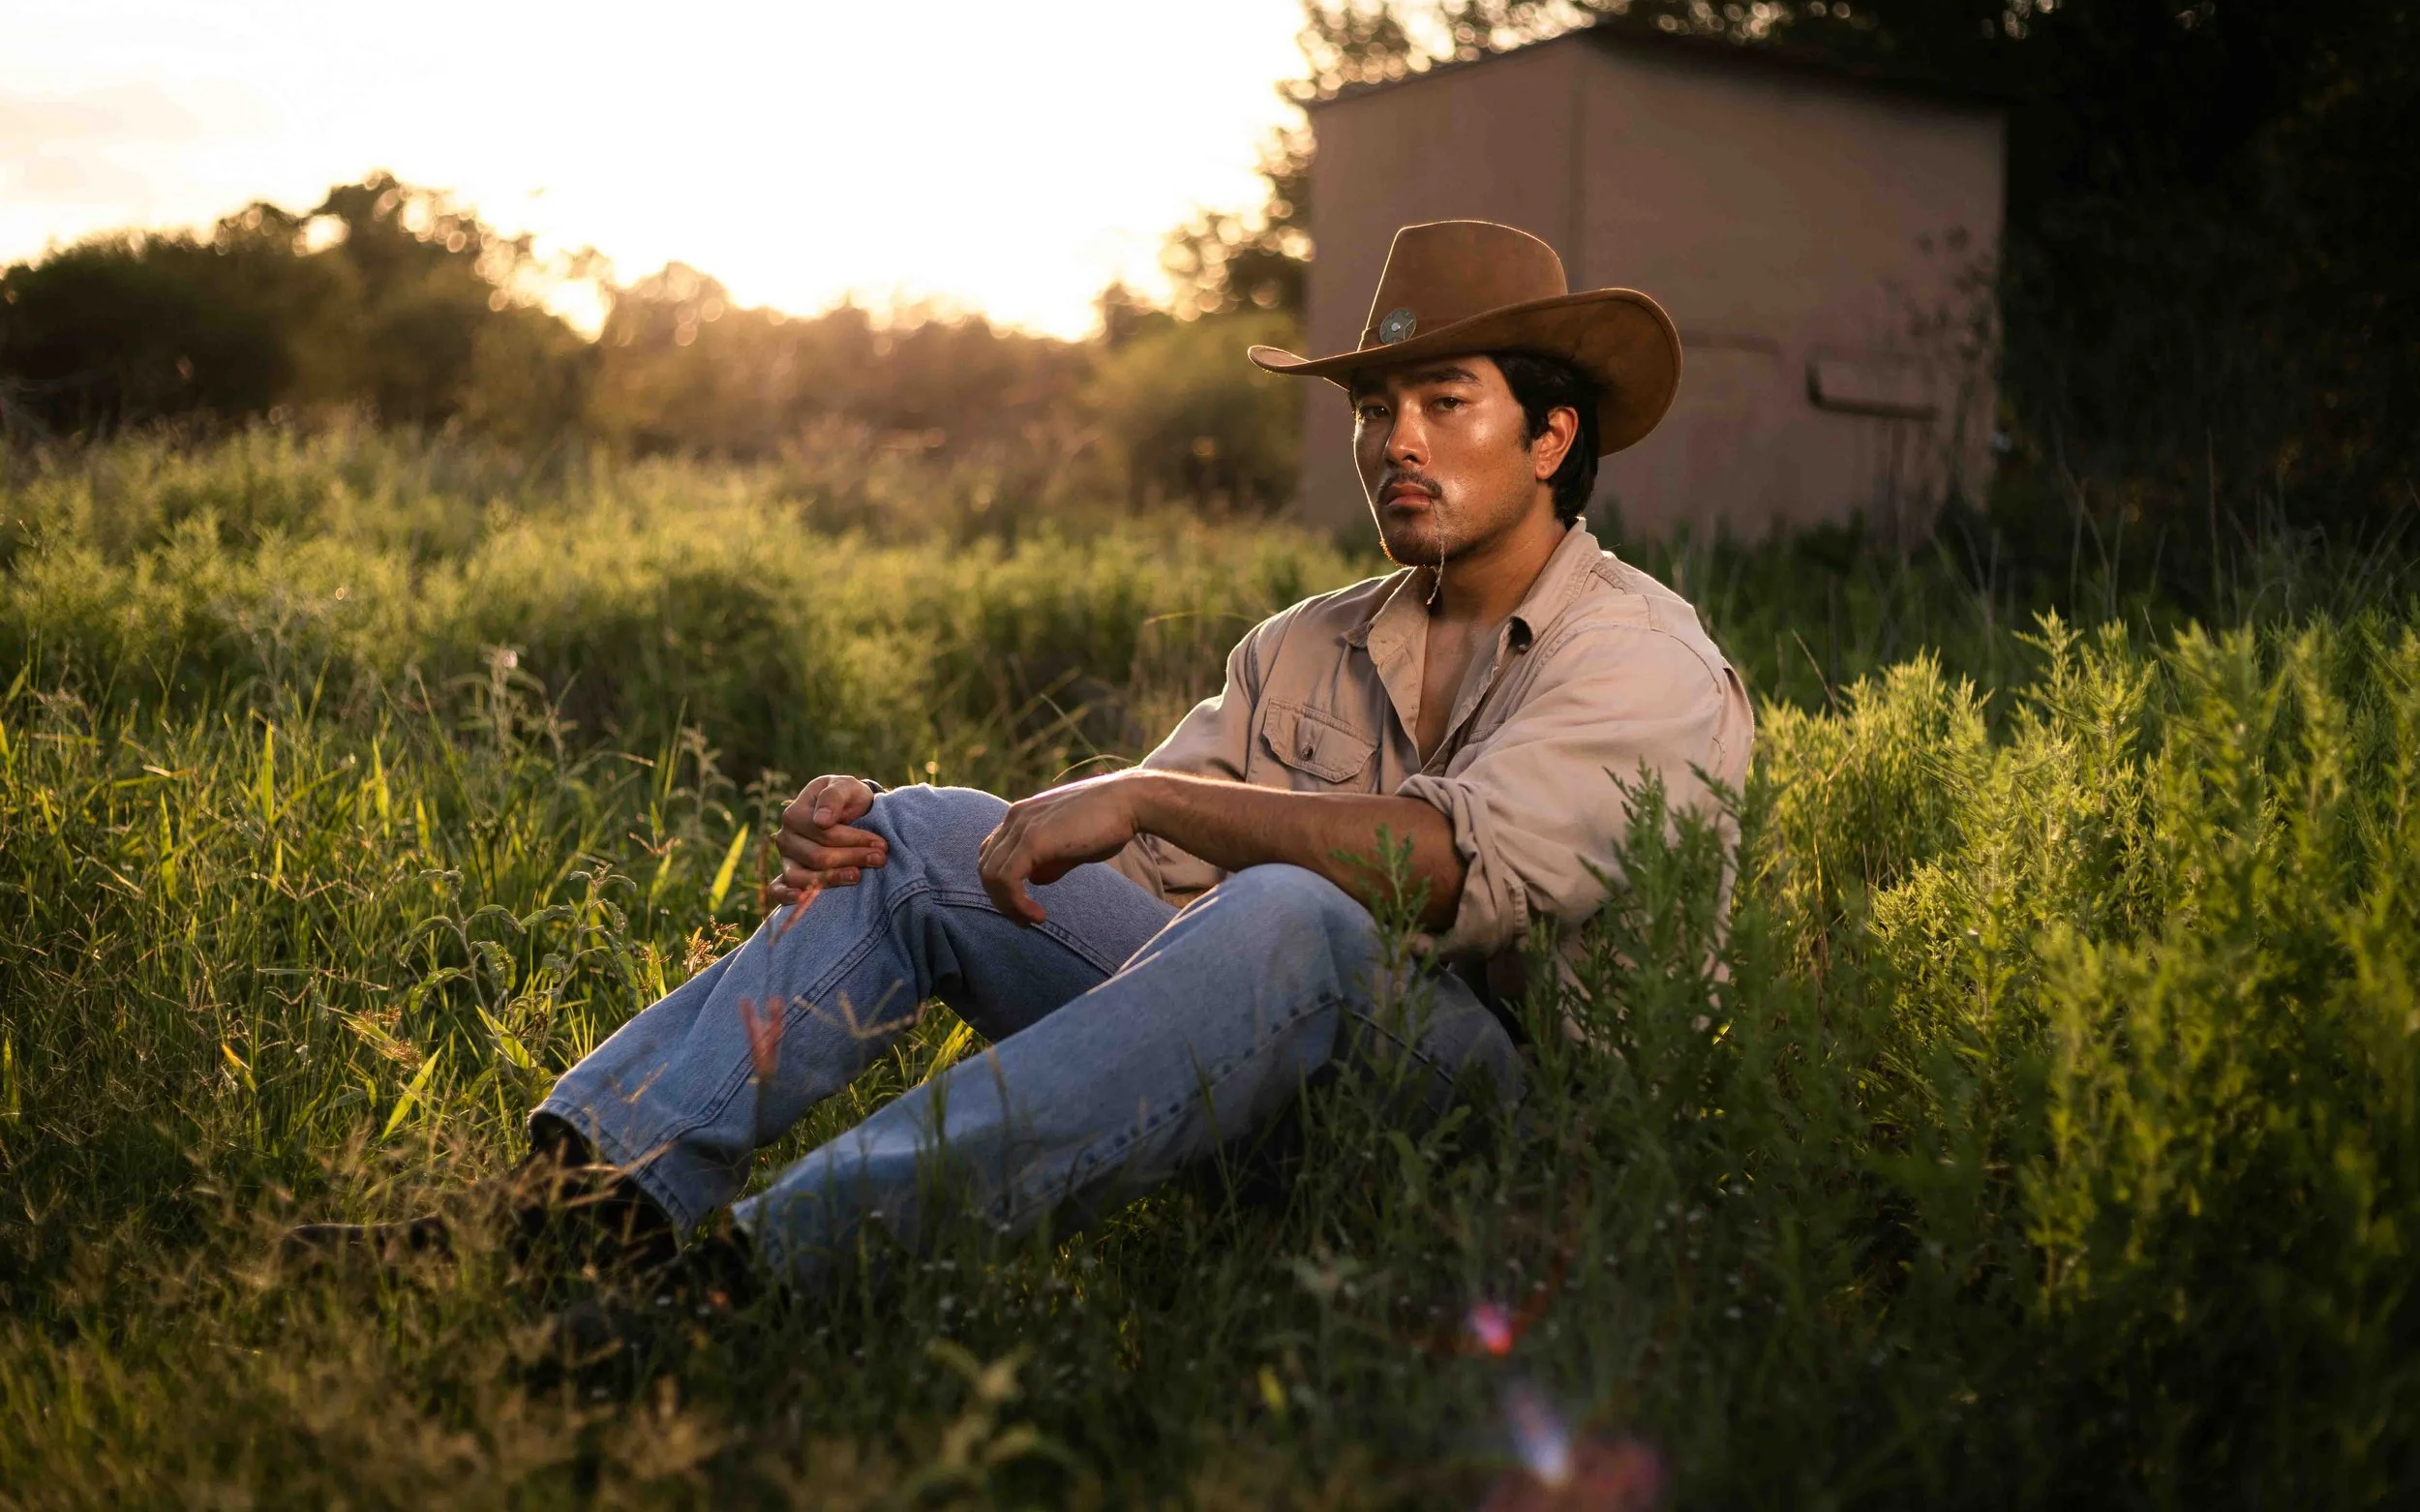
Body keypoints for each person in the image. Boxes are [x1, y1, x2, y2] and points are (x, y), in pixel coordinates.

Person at [291, 220, 1754, 1293]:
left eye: (1449, 403)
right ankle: (574, 1213)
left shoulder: (1641, 661)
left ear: (1552, 434)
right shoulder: (1308, 641)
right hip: (1279, 1090)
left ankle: (753, 1280)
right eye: (1377, 408)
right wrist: (881, 844)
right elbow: (1120, 869)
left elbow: (1443, 871)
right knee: (935, 833)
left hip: (1500, 1158)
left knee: (1301, 908)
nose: (1396, 443)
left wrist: (1151, 789)